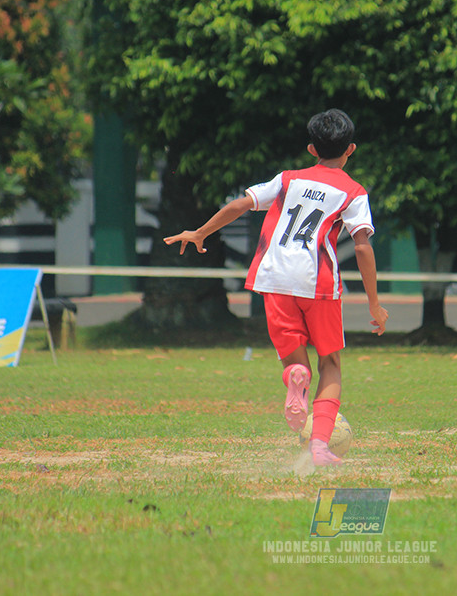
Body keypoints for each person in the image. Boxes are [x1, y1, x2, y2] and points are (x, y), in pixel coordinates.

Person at [163, 109, 388, 467]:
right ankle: (319, 447)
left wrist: (200, 232)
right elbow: (362, 245)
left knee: (295, 359)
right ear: (352, 150)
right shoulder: (353, 192)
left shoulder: (288, 180)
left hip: (273, 276)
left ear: (312, 149)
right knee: (330, 363)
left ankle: (294, 377)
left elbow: (241, 204)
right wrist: (375, 304)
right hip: (317, 283)